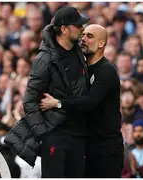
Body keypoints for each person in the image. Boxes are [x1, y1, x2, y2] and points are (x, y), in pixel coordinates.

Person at [4, 6, 90, 178]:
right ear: (64, 29)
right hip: (55, 135)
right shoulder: (44, 59)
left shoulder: (79, 53)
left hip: (79, 133)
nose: (82, 28)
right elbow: (30, 101)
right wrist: (44, 135)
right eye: (77, 25)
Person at [40, 24, 124, 178]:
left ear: (101, 44)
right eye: (83, 35)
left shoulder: (106, 70)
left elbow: (89, 101)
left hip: (106, 148)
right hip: (87, 145)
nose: (83, 39)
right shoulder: (82, 69)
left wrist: (58, 103)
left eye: (90, 36)